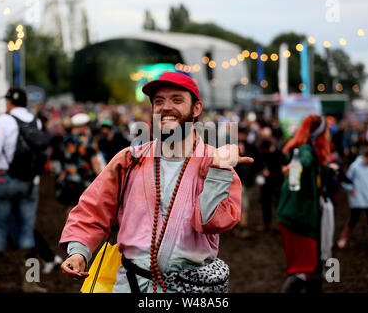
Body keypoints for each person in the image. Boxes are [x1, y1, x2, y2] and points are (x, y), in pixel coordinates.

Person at [59, 72, 252, 293]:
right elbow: (92, 210)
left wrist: (218, 171)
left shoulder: (215, 163)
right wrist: (79, 251)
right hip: (130, 285)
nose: (166, 107)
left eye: (177, 100)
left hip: (191, 291)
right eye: (159, 101)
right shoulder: (130, 159)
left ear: (196, 108)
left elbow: (211, 223)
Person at [0, 86, 47, 293]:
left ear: (9, 102)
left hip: (3, 180)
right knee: (27, 230)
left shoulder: (4, 119)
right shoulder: (34, 121)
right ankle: (30, 282)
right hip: (28, 182)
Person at [277, 114, 334, 293]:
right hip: (298, 219)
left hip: (298, 216)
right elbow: (303, 163)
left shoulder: (305, 148)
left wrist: (328, 171)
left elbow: (308, 171)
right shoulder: (305, 150)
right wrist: (296, 167)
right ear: (319, 133)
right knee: (303, 269)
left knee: (313, 268)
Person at [337, 148, 368, 250]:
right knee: (353, 219)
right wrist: (351, 189)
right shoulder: (355, 166)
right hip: (358, 199)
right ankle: (343, 238)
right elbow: (346, 180)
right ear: (366, 157)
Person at [57, 113, 102, 213]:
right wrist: (101, 177)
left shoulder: (65, 139)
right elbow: (94, 161)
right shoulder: (88, 140)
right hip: (85, 181)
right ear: (84, 126)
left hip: (69, 180)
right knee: (85, 211)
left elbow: (63, 159)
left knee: (71, 210)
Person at [257, 126, 286, 231]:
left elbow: (283, 164)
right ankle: (267, 224)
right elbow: (257, 162)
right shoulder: (260, 148)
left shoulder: (277, 149)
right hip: (266, 183)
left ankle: (280, 224)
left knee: (278, 203)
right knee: (266, 204)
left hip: (277, 180)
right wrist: (262, 170)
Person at [233, 126, 260, 239]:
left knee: (244, 204)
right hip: (237, 180)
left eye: (245, 134)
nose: (243, 137)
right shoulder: (232, 147)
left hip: (248, 180)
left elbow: (256, 161)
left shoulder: (252, 147)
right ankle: (242, 226)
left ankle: (241, 226)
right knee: (243, 204)